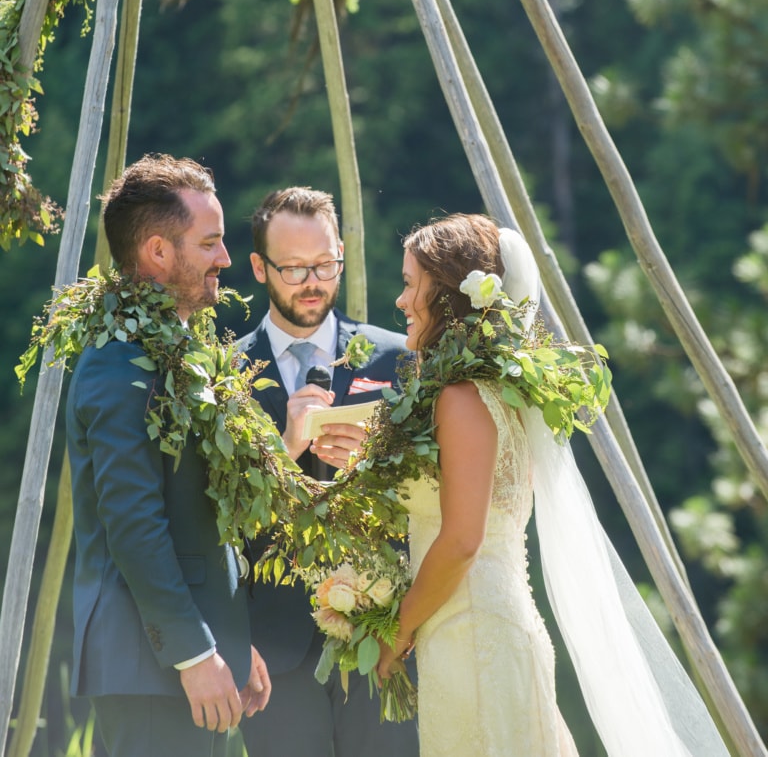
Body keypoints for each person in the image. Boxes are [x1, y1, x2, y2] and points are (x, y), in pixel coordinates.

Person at [376, 213, 731, 757]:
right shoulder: (503, 394)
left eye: (409, 284)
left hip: (473, 636)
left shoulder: (464, 399)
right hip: (481, 627)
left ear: (448, 296)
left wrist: (397, 631)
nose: (400, 301)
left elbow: (462, 540)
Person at [66, 154, 271, 757]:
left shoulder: (171, 350)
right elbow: (133, 525)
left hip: (186, 660)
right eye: (210, 243)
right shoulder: (117, 363)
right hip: (149, 668)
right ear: (158, 252)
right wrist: (195, 652)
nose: (226, 259)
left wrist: (229, 641)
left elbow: (194, 516)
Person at [237, 186, 419, 757]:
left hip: (381, 635)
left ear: (341, 251)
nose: (312, 281)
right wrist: (283, 451)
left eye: (325, 264)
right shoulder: (224, 373)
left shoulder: (397, 357)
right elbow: (208, 511)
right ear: (260, 268)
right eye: (293, 268)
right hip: (270, 648)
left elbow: (436, 487)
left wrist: (378, 461)